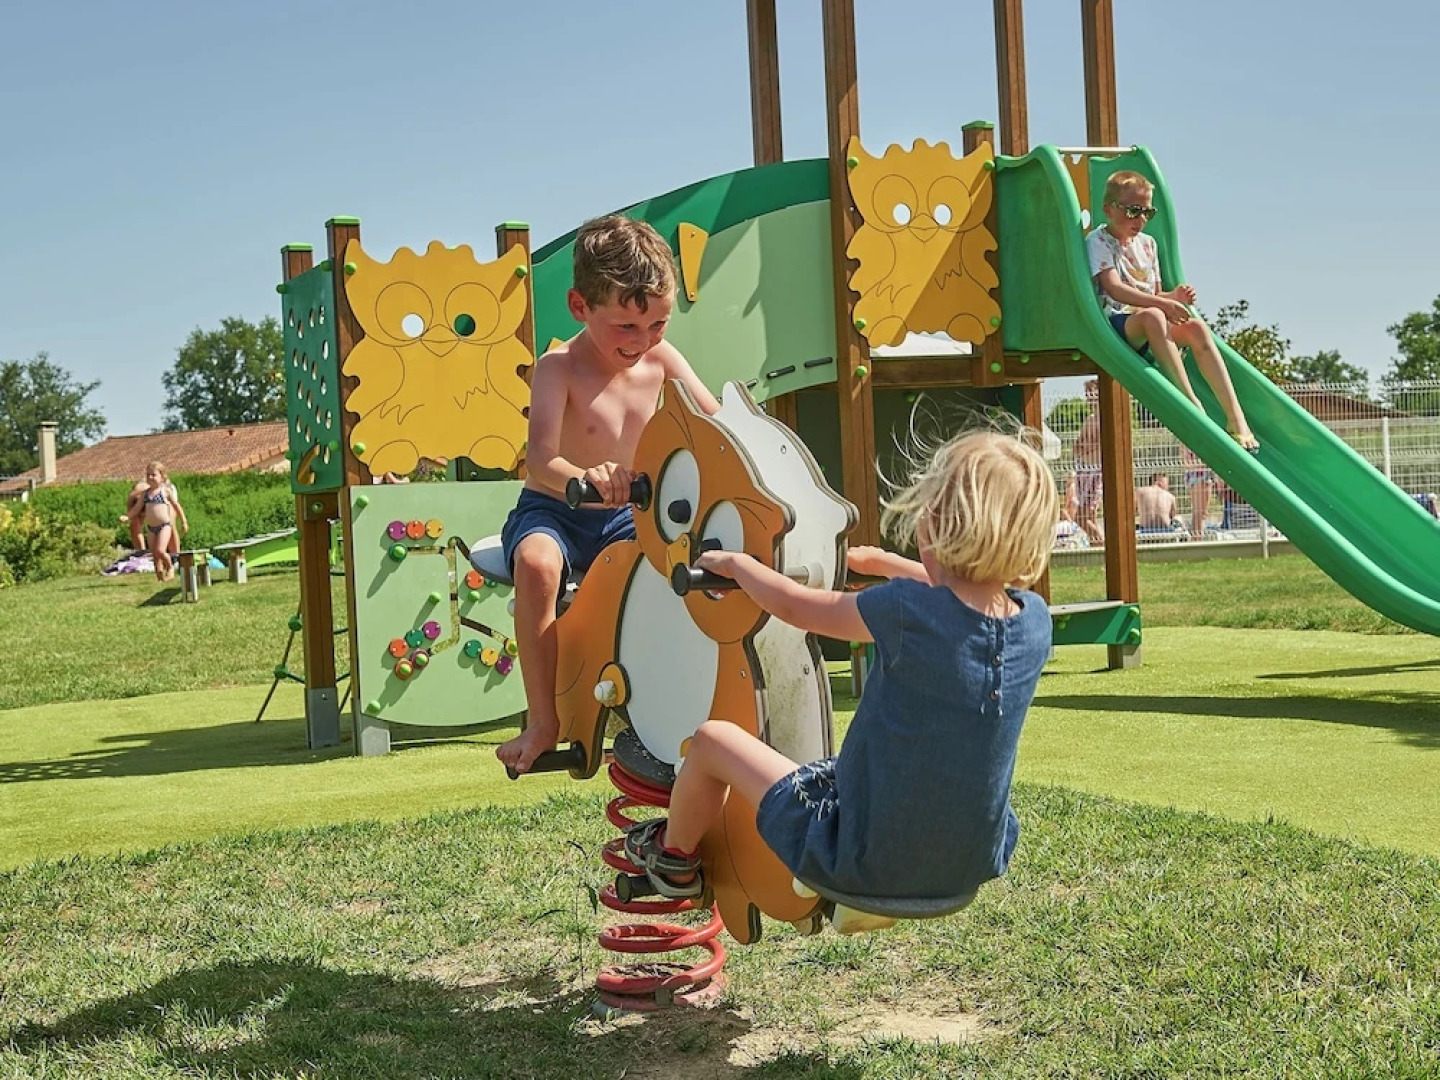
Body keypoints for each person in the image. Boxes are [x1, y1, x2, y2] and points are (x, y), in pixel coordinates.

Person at [619, 428, 1057, 918]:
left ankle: (672, 858)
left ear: (932, 523)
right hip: (968, 862)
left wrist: (740, 566)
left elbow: (796, 605)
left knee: (711, 741)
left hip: (860, 856)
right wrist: (893, 565)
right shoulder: (1035, 621)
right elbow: (961, 609)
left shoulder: (904, 612)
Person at [495, 216, 720, 775]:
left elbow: (717, 429)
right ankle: (542, 719)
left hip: (629, 515)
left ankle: (676, 714)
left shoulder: (663, 363)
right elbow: (541, 460)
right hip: (558, 509)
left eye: (658, 325)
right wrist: (585, 476)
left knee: (678, 571)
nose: (642, 342)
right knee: (537, 565)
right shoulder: (558, 369)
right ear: (579, 307)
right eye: (625, 326)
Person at [1087, 171, 1260, 453]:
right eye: (1132, 211)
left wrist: (1173, 297)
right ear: (1109, 209)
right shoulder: (1099, 241)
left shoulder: (1148, 244)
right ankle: (1191, 403)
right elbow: (1114, 289)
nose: (1140, 220)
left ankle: (1236, 419)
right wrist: (1161, 304)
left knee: (1196, 328)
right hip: (1117, 325)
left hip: (1151, 323)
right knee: (1155, 315)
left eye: (1147, 212)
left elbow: (1155, 294)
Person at [139, 462, 187, 582]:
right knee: (155, 554)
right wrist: (127, 517)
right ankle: (159, 576)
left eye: (153, 475)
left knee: (160, 550)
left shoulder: (165, 491)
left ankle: (170, 567)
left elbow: (176, 506)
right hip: (151, 527)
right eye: (148, 475)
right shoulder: (146, 493)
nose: (150, 478)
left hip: (164, 525)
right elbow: (137, 508)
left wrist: (183, 521)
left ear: (162, 477)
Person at [1071, 380, 1105, 545]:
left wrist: (1087, 447)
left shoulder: (1104, 418)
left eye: (1092, 393)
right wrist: (1086, 446)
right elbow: (1077, 446)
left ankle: (1103, 543)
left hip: (1094, 470)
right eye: (1087, 394)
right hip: (1083, 470)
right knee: (1090, 515)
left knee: (1082, 516)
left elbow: (1099, 445)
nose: (1089, 397)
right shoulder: (1090, 419)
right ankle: (1097, 546)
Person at [1181, 445, 1213, 540]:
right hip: (1197, 476)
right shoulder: (1185, 442)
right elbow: (1187, 463)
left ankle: (1198, 537)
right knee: (1199, 512)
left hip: (1205, 475)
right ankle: (1197, 539)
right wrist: (1205, 465)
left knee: (1203, 512)